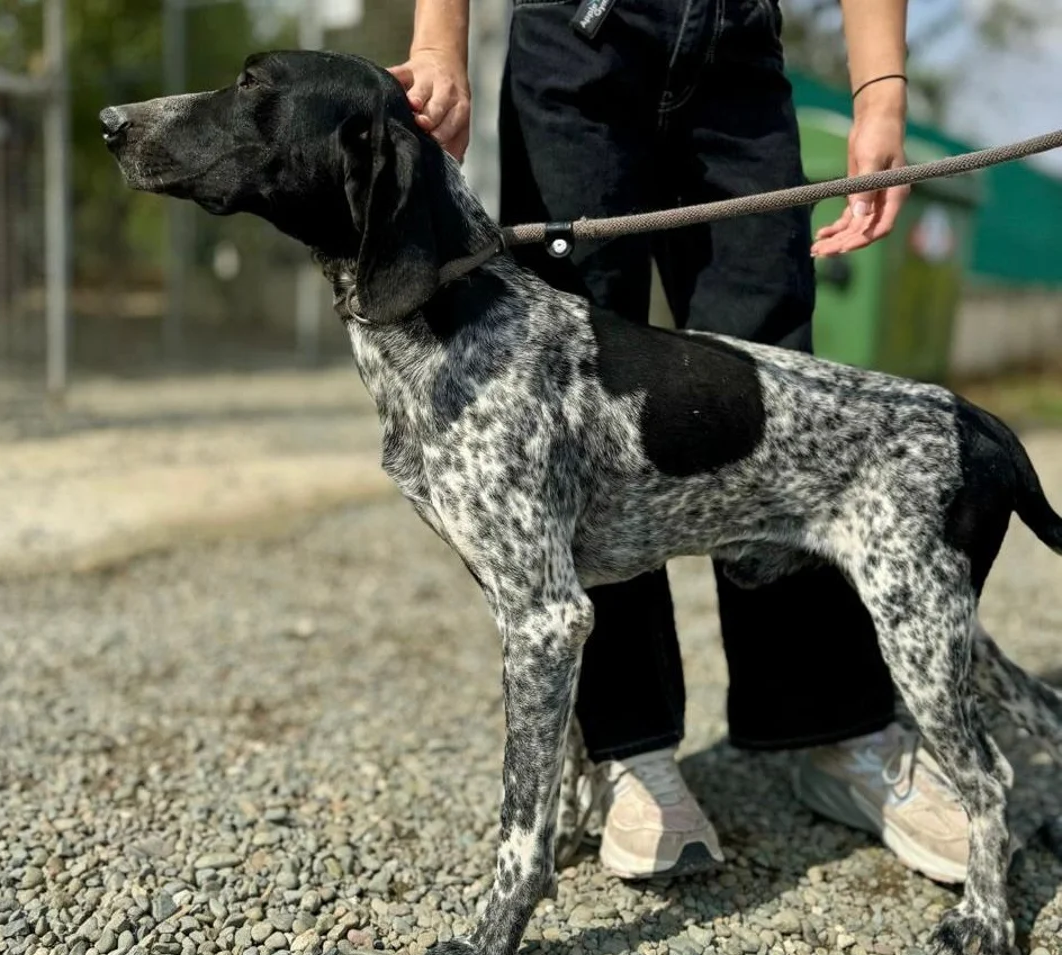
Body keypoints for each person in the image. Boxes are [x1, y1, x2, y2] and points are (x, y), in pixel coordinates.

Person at [389, 0, 970, 884]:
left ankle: (834, 725)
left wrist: (880, 92)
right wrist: (438, 44)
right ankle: (628, 748)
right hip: (576, 44)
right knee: (579, 398)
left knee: (776, 367)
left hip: (739, 49)